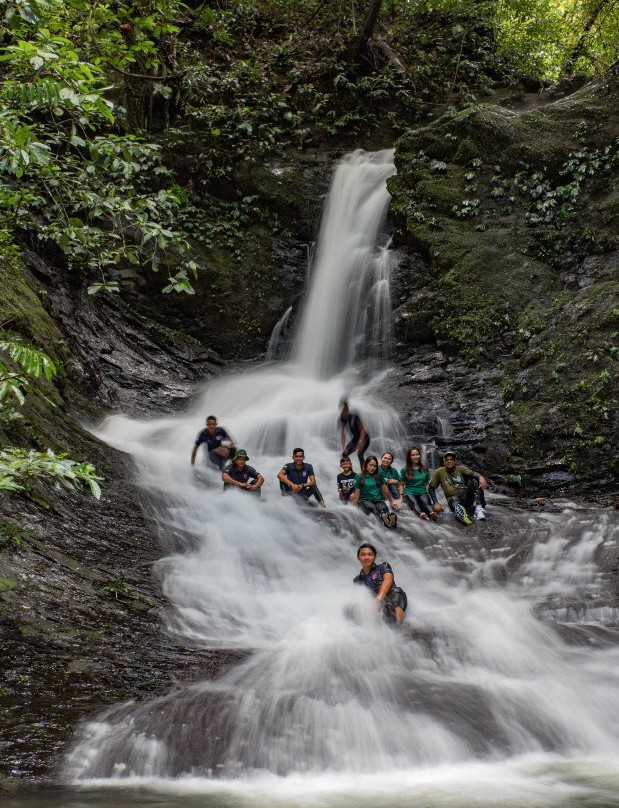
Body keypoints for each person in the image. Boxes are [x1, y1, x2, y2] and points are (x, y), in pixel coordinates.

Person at [353, 543, 407, 626]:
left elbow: (388, 580)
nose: (366, 557)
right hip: (374, 604)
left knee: (395, 595)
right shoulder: (357, 580)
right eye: (363, 555)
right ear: (358, 558)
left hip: (391, 595)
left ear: (375, 557)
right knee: (352, 608)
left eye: (370, 555)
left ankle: (399, 628)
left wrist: (379, 598)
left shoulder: (383, 566)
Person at [429, 450, 488, 525]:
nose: (449, 461)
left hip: (466, 496)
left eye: (451, 460)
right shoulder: (439, 472)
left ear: (455, 461)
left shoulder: (461, 468)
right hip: (452, 498)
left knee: (475, 481)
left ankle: (478, 508)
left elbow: (473, 474)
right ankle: (462, 515)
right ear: (444, 462)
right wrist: (436, 503)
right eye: (447, 460)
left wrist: (481, 477)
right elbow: (431, 488)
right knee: (454, 499)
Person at [351, 455, 398, 528]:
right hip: (364, 501)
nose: (373, 468)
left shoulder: (379, 476)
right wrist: (353, 509)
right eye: (371, 465)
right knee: (373, 508)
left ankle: (390, 521)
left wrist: (391, 501)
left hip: (377, 500)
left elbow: (385, 489)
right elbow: (357, 494)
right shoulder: (359, 476)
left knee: (383, 508)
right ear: (366, 465)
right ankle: (386, 522)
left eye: (375, 466)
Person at [400, 445, 437, 520]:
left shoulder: (424, 468)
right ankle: (420, 514)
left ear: (419, 455)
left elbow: (427, 482)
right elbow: (401, 484)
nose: (415, 457)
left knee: (426, 503)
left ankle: (432, 513)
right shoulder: (405, 469)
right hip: (409, 491)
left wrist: (427, 492)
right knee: (414, 503)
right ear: (409, 457)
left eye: (417, 454)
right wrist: (401, 496)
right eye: (413, 455)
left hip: (421, 491)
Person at [339, 399, 370, 471]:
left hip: (365, 438)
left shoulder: (354, 416)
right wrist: (344, 447)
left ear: (347, 408)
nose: (343, 410)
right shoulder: (342, 418)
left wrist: (360, 443)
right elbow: (343, 433)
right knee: (345, 454)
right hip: (355, 438)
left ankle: (365, 473)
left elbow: (363, 430)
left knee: (360, 454)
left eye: (344, 408)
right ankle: (351, 474)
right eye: (341, 408)